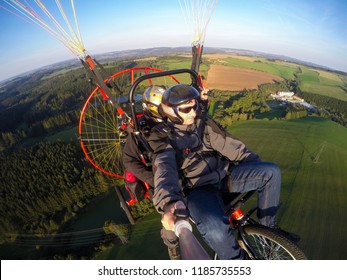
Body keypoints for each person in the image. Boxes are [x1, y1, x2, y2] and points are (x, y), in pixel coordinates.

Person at [146, 84, 284, 260]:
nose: (193, 112)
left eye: (195, 106)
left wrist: (254, 166)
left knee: (271, 172)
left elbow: (230, 145)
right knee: (215, 229)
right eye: (186, 108)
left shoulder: (202, 124)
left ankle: (268, 235)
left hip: (224, 175)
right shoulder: (161, 137)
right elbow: (165, 170)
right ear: (171, 112)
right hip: (197, 190)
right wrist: (170, 202)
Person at [122, 85, 181, 260]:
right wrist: (154, 179)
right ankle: (175, 253)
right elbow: (128, 161)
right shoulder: (140, 133)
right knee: (171, 219)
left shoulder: (171, 121)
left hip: (180, 168)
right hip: (161, 179)